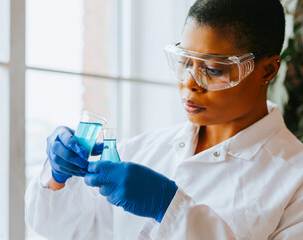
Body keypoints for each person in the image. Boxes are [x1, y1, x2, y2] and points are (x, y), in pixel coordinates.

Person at [25, 0, 303, 239]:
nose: (189, 83)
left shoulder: (295, 179)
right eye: (185, 62)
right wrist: (58, 177)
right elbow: (70, 230)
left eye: (214, 69)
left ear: (267, 70)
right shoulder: (144, 150)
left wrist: (170, 208)